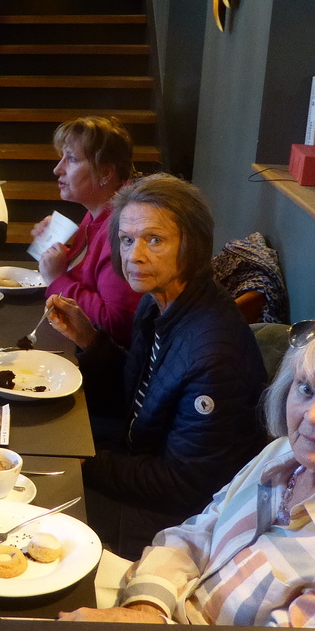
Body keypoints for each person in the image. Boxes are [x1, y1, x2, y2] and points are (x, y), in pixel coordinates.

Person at [60, 309, 315, 629]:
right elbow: (199, 531)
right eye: (305, 389)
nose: (313, 416)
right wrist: (146, 607)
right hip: (159, 613)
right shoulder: (287, 454)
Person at [46, 174, 268, 557]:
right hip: (138, 459)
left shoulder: (214, 352)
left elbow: (183, 483)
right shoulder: (157, 301)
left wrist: (85, 461)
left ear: (192, 245)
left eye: (154, 240)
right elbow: (139, 394)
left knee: (41, 501)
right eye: (126, 240)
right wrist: (91, 341)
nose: (134, 256)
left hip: (179, 519)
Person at [30, 116, 147, 346]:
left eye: (71, 159)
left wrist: (56, 279)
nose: (57, 169)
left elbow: (115, 325)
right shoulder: (99, 210)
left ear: (106, 172)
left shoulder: (123, 229)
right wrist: (55, 247)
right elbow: (93, 273)